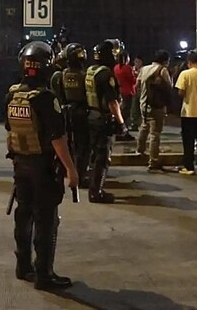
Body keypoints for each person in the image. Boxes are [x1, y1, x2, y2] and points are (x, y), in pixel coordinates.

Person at [5, 40, 79, 291]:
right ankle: (44, 274)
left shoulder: (13, 94)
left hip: (20, 164)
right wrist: (71, 168)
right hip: (43, 167)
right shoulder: (46, 98)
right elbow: (57, 138)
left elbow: (11, 129)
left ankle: (22, 266)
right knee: (46, 219)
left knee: (23, 214)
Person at [85, 39, 127, 203]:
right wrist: (121, 123)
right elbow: (112, 102)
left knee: (94, 155)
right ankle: (96, 192)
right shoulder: (106, 74)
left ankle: (93, 187)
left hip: (92, 117)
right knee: (103, 158)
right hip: (103, 119)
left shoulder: (91, 70)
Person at [50, 43, 91, 188]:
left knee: (65, 144)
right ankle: (80, 174)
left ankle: (62, 171)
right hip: (81, 112)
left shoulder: (59, 75)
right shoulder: (85, 75)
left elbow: (56, 96)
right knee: (82, 146)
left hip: (64, 112)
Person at [135, 50, 172, 171]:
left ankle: (139, 151)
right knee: (155, 134)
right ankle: (153, 161)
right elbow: (169, 87)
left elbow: (137, 85)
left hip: (144, 104)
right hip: (157, 105)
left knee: (144, 126)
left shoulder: (144, 69)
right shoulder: (162, 70)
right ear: (165, 60)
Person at [113, 53, 137, 141]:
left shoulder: (115, 67)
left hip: (119, 92)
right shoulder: (127, 68)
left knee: (120, 112)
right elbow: (133, 80)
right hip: (128, 92)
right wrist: (135, 74)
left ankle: (119, 131)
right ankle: (124, 132)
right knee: (126, 113)